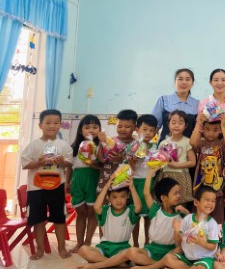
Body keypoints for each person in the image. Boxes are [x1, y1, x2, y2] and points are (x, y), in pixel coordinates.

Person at [20, 109, 73, 260]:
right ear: (40, 125)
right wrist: (39, 162)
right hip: (36, 189)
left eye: (56, 123)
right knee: (38, 219)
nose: (52, 126)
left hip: (57, 187)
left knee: (59, 218)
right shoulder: (33, 145)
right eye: (48, 122)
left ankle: (62, 248)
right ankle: (40, 250)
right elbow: (25, 164)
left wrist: (61, 162)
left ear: (60, 125)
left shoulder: (64, 145)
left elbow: (69, 163)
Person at [76, 175, 141, 269]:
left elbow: (138, 207)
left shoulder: (130, 211)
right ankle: (114, 263)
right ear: (108, 198)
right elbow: (96, 207)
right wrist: (106, 186)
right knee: (82, 250)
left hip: (122, 248)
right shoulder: (106, 211)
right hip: (104, 248)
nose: (119, 200)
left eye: (122, 196)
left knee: (131, 253)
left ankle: (97, 265)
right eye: (114, 197)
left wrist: (132, 188)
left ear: (128, 196)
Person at [161, 185, 219, 269]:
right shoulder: (187, 219)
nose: (210, 203)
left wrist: (201, 243)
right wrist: (177, 231)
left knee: (201, 268)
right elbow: (179, 242)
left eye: (213, 201)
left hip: (204, 258)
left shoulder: (212, 224)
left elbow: (213, 247)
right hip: (187, 258)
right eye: (207, 200)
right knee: (167, 259)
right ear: (196, 202)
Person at [66, 114, 102, 253]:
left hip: (93, 180)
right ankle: (79, 243)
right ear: (81, 131)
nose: (91, 130)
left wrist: (93, 163)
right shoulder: (74, 148)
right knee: (80, 213)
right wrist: (67, 182)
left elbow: (103, 166)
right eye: (87, 127)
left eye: (95, 127)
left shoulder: (100, 147)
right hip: (78, 181)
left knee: (92, 212)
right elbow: (69, 167)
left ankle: (87, 242)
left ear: (99, 130)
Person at [128, 114, 159, 247]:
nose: (148, 133)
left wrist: (151, 157)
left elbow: (158, 165)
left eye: (151, 130)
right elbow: (129, 167)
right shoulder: (132, 146)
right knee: (135, 215)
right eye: (144, 129)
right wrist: (133, 161)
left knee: (148, 216)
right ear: (137, 129)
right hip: (135, 183)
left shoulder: (155, 147)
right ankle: (135, 243)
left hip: (150, 183)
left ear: (155, 132)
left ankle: (147, 242)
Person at [190, 112, 225, 223]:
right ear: (203, 130)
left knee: (217, 217)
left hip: (217, 188)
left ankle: (218, 235)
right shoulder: (201, 143)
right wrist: (198, 124)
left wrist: (223, 125)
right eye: (207, 129)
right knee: (199, 215)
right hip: (201, 186)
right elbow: (192, 143)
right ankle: (196, 233)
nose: (211, 133)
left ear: (220, 130)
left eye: (215, 130)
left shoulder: (221, 143)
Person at [157, 110, 197, 207]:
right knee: (166, 203)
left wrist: (176, 165)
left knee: (181, 203)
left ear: (186, 126)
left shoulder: (187, 142)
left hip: (181, 176)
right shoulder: (163, 143)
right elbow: (158, 161)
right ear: (168, 124)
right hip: (166, 175)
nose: (176, 126)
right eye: (173, 122)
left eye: (180, 123)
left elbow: (193, 162)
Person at [152, 68, 199, 141]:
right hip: (165, 146)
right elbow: (154, 127)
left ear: (192, 83)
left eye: (187, 79)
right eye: (180, 79)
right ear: (175, 82)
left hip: (187, 146)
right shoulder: (163, 100)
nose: (184, 82)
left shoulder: (198, 104)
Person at [97, 109, 137, 193]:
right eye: (119, 126)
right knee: (104, 200)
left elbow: (136, 163)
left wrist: (122, 159)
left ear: (134, 127)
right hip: (106, 180)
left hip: (124, 183)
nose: (123, 129)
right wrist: (101, 143)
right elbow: (101, 159)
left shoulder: (136, 144)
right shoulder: (110, 141)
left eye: (127, 127)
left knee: (122, 200)